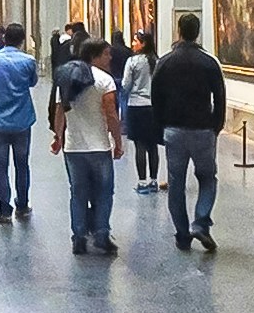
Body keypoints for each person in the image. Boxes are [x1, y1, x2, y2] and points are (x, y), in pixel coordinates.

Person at [152, 13, 226, 253]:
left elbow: (156, 98)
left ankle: (182, 234)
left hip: (174, 129)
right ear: (198, 32)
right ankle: (201, 222)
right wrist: (216, 125)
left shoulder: (165, 62)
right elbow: (220, 97)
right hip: (203, 129)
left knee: (176, 183)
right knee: (207, 178)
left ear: (179, 31)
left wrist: (161, 126)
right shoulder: (209, 62)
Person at [51, 38, 124, 255]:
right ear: (94, 56)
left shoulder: (67, 79)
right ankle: (101, 234)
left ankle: (79, 236)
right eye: (106, 54)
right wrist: (118, 142)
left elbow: (59, 111)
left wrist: (58, 137)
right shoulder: (105, 80)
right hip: (99, 146)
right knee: (104, 192)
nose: (110, 58)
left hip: (73, 147)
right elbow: (111, 114)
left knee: (78, 193)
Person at [0, 22, 39, 224]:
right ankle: (22, 205)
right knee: (22, 164)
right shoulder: (28, 61)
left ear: (4, 38)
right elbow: (33, 82)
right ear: (22, 40)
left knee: (0, 166)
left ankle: (4, 209)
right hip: (22, 120)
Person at [121, 30, 162, 193]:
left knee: (140, 145)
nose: (133, 43)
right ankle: (154, 180)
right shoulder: (157, 61)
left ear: (143, 43)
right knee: (153, 145)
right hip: (154, 107)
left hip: (136, 106)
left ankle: (142, 182)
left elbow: (126, 84)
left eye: (135, 41)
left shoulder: (132, 61)